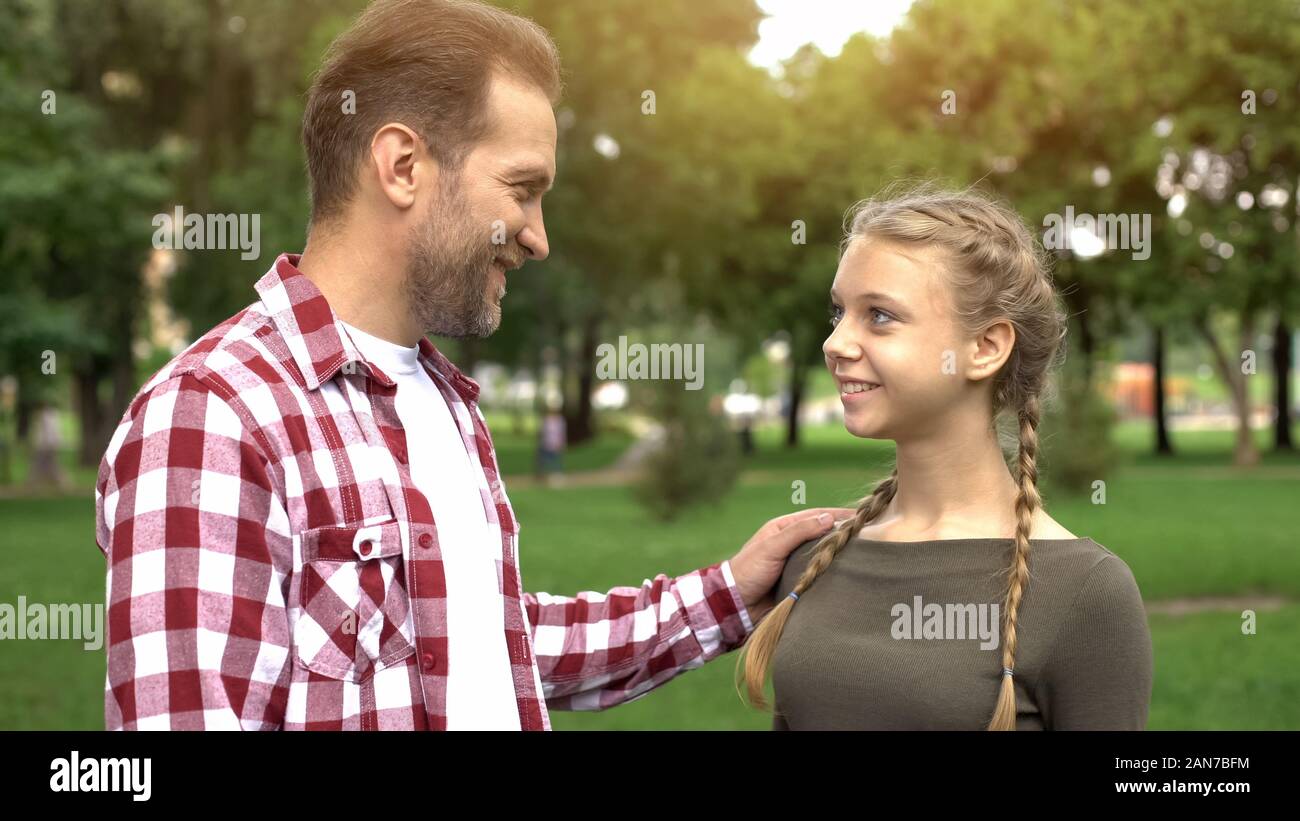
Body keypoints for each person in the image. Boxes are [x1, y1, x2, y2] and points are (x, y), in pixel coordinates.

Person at [93, 0, 849, 730]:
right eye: (522, 190)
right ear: (402, 165)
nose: (538, 237)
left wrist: (725, 594)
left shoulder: (444, 401)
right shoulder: (213, 415)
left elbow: (488, 646)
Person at [738, 186, 1154, 730]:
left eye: (880, 316)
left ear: (984, 348)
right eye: (839, 312)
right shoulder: (811, 563)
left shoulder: (1085, 593)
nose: (836, 343)